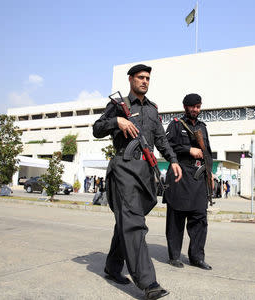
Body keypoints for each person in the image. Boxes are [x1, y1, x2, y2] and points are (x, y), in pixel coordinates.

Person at [93, 64, 182, 300]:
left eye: (148, 78)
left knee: (127, 219)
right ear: (131, 79)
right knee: (133, 223)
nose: (144, 81)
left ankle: (113, 268)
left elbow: (161, 140)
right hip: (124, 167)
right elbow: (97, 128)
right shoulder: (117, 105)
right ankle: (148, 282)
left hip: (145, 171)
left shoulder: (152, 110)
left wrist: (172, 160)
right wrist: (118, 122)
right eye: (140, 78)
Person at [162, 93, 213, 271]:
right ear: (185, 107)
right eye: (193, 107)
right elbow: (165, 147)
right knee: (176, 217)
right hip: (180, 174)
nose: (196, 110)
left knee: (200, 218)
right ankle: (174, 256)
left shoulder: (203, 127)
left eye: (198, 106)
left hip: (199, 176)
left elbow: (208, 152)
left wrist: (210, 172)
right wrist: (188, 149)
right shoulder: (176, 124)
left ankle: (197, 257)